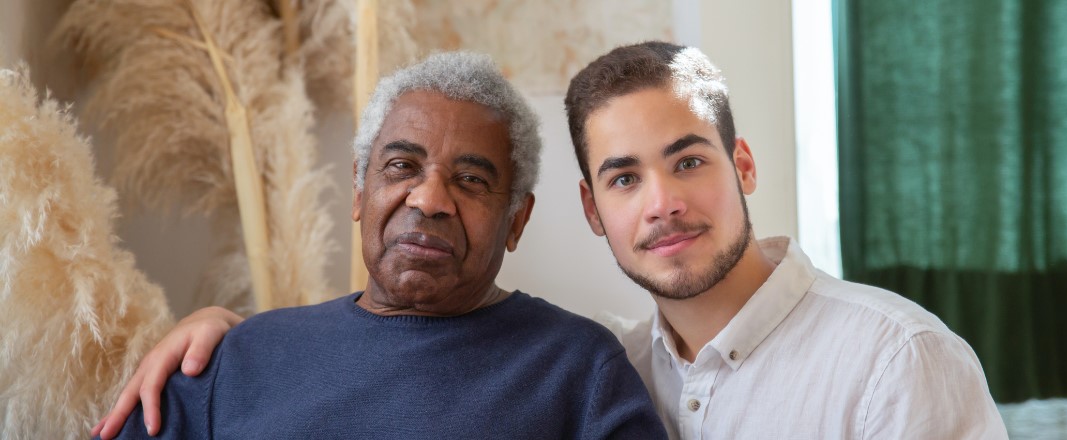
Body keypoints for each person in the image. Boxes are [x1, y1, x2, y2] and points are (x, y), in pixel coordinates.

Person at [96, 42, 1008, 439]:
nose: (662, 203)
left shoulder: (581, 371)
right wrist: (225, 329)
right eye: (624, 178)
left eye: (687, 161)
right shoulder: (230, 365)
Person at [94, 51, 665, 439]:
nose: (428, 199)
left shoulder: (579, 367)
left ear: (516, 220)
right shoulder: (232, 358)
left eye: (470, 180)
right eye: (401, 166)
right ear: (360, 193)